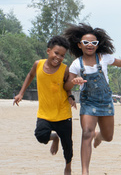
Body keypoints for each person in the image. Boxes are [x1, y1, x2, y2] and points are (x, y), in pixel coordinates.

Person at [63, 23, 121, 174]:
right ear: (79, 45)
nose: (90, 45)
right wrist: (74, 82)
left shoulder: (104, 58)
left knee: (108, 137)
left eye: (94, 43)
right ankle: (84, 171)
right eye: (86, 42)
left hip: (105, 102)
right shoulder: (76, 64)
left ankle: (98, 136)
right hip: (88, 102)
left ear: (97, 45)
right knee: (86, 132)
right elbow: (67, 85)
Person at [13, 36, 76, 175]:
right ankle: (55, 137)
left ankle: (68, 166)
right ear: (48, 51)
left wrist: (71, 96)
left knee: (68, 146)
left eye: (62, 56)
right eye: (56, 53)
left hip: (63, 114)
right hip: (45, 113)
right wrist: (21, 93)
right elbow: (30, 75)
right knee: (41, 136)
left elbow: (67, 87)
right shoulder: (38, 64)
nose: (58, 57)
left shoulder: (65, 70)